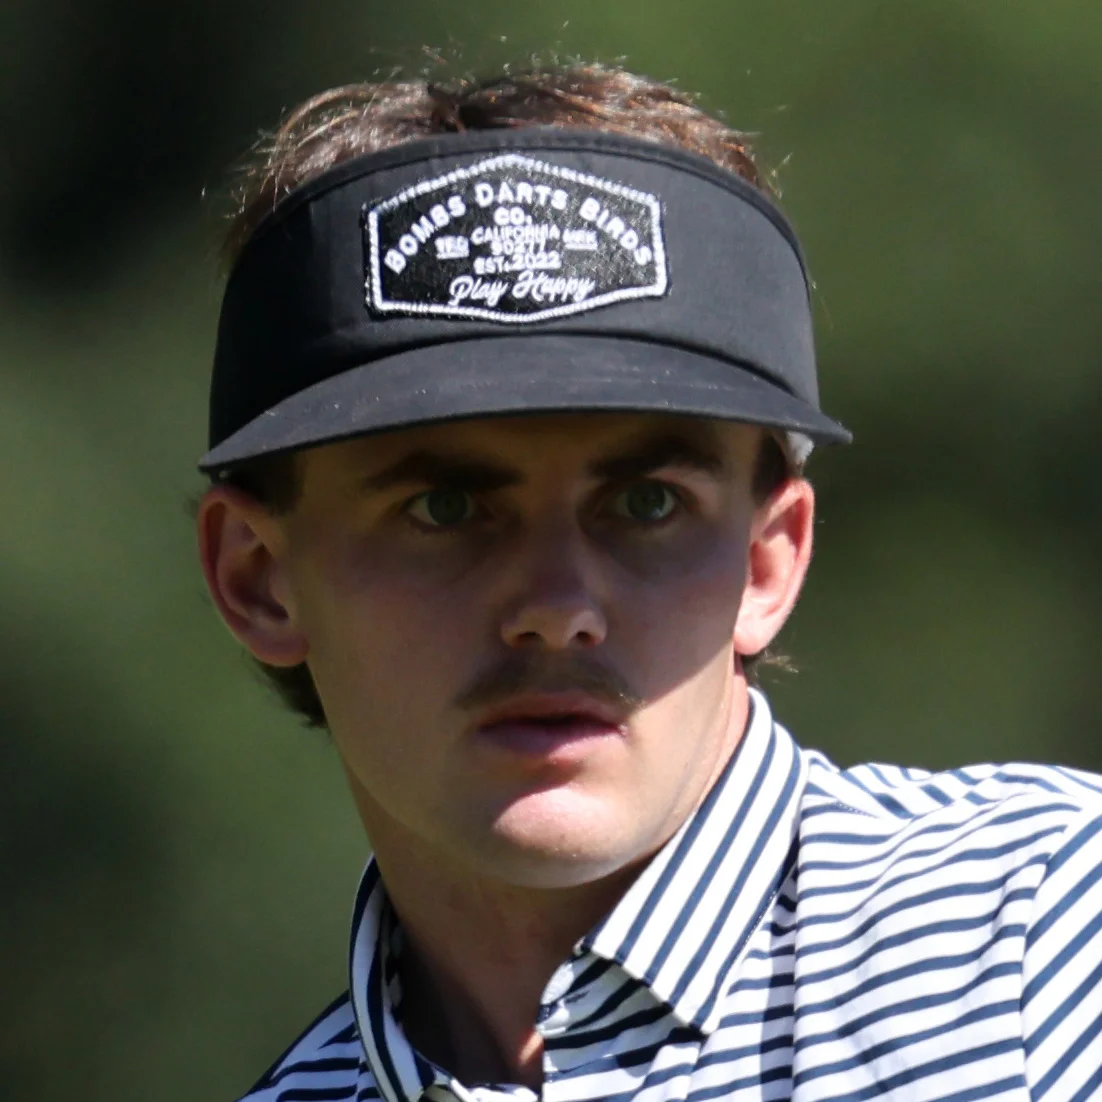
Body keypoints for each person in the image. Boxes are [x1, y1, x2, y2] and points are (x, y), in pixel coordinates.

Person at [196, 63, 1102, 1102]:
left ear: (770, 560)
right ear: (258, 578)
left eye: (645, 503)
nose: (557, 607)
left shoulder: (1050, 941)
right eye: (444, 509)